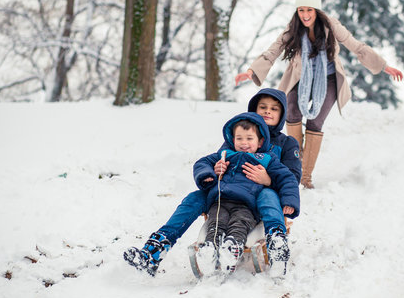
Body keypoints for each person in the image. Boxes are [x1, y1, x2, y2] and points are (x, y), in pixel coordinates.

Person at [235, 0, 404, 189]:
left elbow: (357, 46)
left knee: (315, 122)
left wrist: (383, 65)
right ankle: (294, 164)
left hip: (329, 79)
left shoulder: (331, 26)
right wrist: (251, 71)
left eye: (309, 10)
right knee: (292, 111)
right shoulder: (294, 28)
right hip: (300, 78)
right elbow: (273, 50)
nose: (305, 15)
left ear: (317, 10)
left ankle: (305, 177)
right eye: (301, 10)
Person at [123, 88, 301, 277]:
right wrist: (214, 172)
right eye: (262, 107)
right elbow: (212, 161)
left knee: (268, 195)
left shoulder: (286, 144)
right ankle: (153, 251)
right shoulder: (234, 141)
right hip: (224, 194)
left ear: (281, 115)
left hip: (260, 195)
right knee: (193, 198)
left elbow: (291, 177)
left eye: (274, 109)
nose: (267, 111)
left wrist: (267, 180)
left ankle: (276, 242)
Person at [192, 112, 300, 275]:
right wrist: (212, 173)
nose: (244, 143)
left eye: (249, 139)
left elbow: (287, 178)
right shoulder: (226, 155)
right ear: (232, 139)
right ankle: (210, 251)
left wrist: (289, 200)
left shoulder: (265, 159)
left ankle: (233, 247)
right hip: (221, 201)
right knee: (216, 223)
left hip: (247, 204)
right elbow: (203, 163)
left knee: (240, 223)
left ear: (260, 141)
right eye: (239, 138)